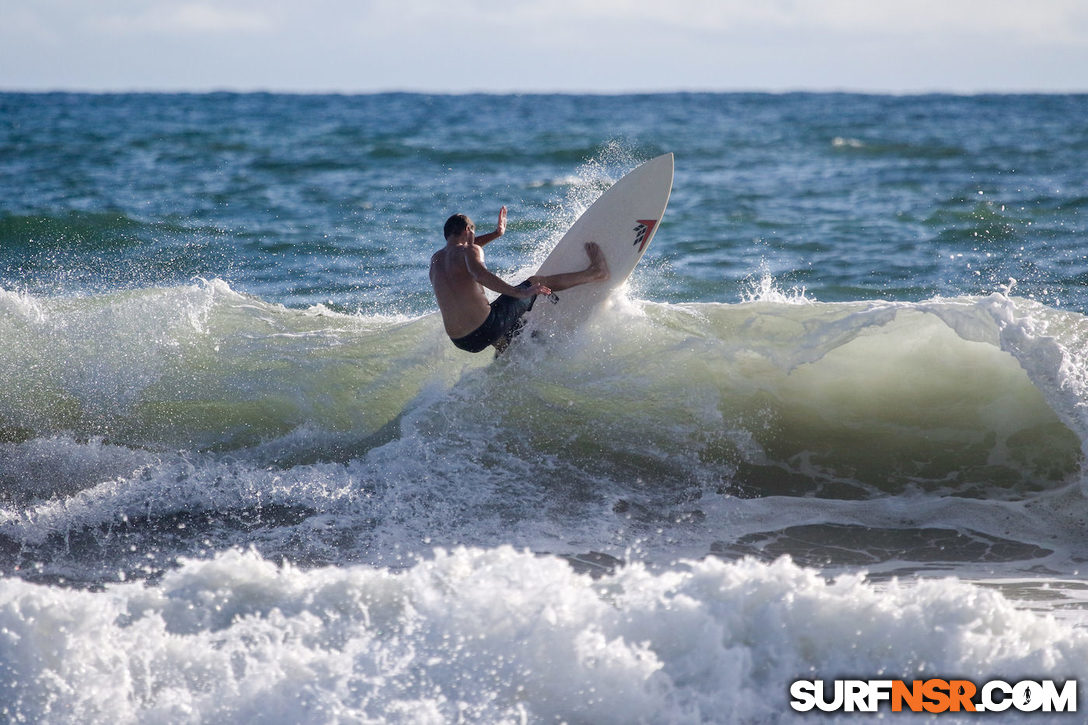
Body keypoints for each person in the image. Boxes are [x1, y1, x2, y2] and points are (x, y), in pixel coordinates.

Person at [430, 206, 609, 353]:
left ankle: (511, 349)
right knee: (535, 282)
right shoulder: (470, 251)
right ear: (468, 231)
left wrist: (496, 234)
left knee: (502, 319)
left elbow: (463, 256)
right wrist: (520, 292)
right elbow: (480, 275)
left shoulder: (436, 260)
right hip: (486, 328)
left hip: (463, 341)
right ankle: (596, 272)